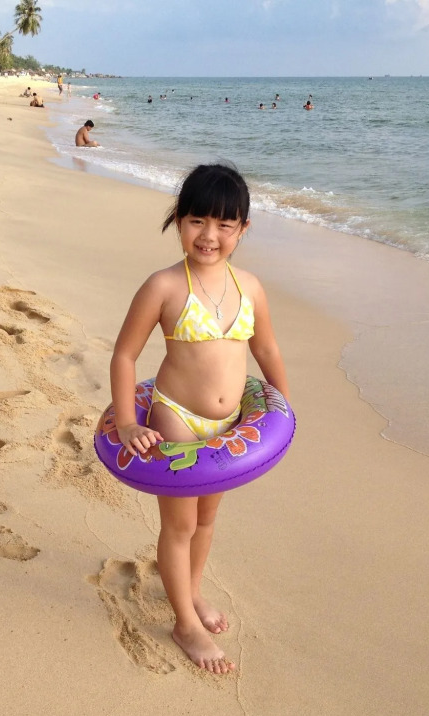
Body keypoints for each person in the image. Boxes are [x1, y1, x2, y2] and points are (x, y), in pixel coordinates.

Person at [109, 163, 290, 674]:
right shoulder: (164, 286)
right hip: (177, 417)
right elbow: (124, 356)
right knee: (181, 523)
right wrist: (126, 423)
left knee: (207, 519)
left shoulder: (250, 287)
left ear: (243, 228)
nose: (209, 235)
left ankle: (191, 593)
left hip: (229, 424)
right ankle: (185, 624)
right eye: (196, 221)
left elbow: (267, 350)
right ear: (179, 220)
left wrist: (282, 406)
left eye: (224, 224)